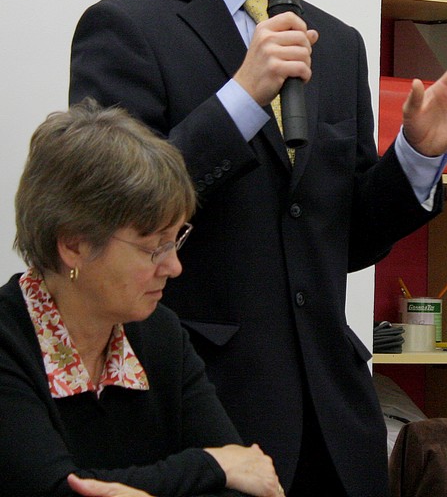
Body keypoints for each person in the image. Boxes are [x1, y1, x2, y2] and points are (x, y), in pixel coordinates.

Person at [69, 0, 447, 496]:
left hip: (336, 422)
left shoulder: (337, 43)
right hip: (201, 413)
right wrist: (242, 97)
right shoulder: (126, 28)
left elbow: (344, 238)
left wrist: (416, 156)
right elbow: (112, 218)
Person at [0, 99, 283, 497]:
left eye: (176, 239)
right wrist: (209, 466)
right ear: (74, 245)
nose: (174, 266)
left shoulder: (160, 334)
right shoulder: (8, 340)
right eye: (153, 246)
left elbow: (250, 485)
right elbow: (54, 490)